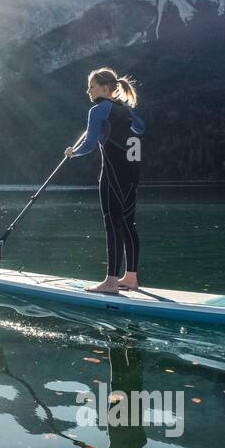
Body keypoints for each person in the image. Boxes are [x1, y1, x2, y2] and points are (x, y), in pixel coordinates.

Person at [64, 68, 144, 293]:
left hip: (112, 175)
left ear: (105, 88)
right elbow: (141, 127)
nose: (88, 90)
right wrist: (122, 114)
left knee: (112, 224)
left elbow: (89, 146)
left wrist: (73, 153)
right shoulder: (124, 109)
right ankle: (131, 278)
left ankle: (111, 282)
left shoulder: (98, 110)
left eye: (92, 86)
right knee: (128, 224)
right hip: (132, 175)